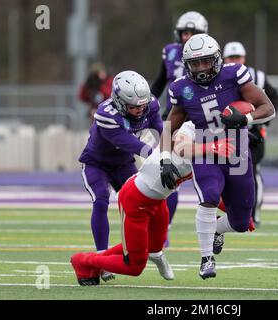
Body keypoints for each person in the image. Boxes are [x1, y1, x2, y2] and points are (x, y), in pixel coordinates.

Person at [70, 120, 245, 285]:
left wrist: (237, 211)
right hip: (135, 200)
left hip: (159, 201)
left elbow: (211, 194)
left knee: (153, 247)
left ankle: (147, 255)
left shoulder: (210, 145)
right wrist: (213, 147)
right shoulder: (189, 129)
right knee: (135, 265)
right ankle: (83, 261)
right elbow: (181, 146)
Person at [160, 33, 276, 279]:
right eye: (195, 63)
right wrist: (165, 159)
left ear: (217, 60)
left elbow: (268, 108)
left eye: (206, 62)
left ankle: (216, 231)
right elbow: (170, 127)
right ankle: (206, 259)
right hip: (205, 150)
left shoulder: (234, 74)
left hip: (236, 151)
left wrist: (245, 119)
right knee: (209, 196)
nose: (201, 68)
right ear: (187, 64)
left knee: (242, 222)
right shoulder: (181, 89)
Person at [78, 70, 163, 281]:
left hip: (124, 164)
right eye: (133, 106)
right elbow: (129, 143)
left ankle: (140, 247)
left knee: (138, 204)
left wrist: (167, 151)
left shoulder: (149, 104)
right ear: (118, 100)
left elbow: (160, 129)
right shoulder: (106, 114)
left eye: (142, 105)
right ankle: (101, 257)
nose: (139, 110)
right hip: (96, 164)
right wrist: (155, 155)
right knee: (101, 200)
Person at [151, 11, 208, 246]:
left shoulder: (207, 54)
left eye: (192, 33)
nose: (187, 37)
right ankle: (163, 230)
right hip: (172, 117)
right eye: (184, 32)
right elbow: (158, 83)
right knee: (166, 175)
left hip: (197, 119)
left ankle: (220, 221)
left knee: (208, 173)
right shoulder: (171, 52)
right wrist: (145, 105)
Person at [222, 41, 278, 227]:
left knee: (252, 171)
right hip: (226, 134)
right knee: (224, 173)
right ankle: (230, 212)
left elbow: (273, 99)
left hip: (253, 132)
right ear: (224, 59)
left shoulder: (257, 77)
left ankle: (253, 214)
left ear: (244, 58)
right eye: (231, 57)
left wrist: (261, 121)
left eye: (237, 57)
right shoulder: (218, 78)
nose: (234, 60)